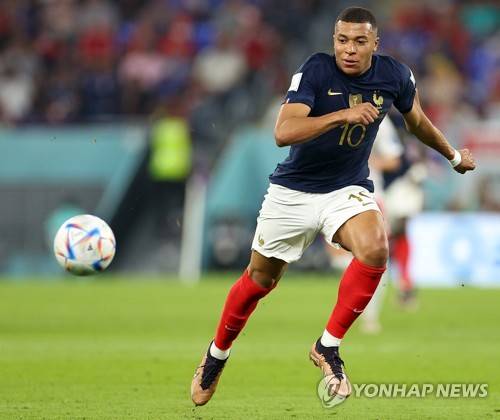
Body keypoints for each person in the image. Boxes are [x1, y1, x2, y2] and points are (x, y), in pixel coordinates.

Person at [190, 6, 476, 406]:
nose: (349, 49)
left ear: (375, 44)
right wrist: (343, 115)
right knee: (259, 281)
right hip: (293, 192)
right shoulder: (316, 70)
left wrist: (452, 156)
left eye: (360, 41)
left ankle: (328, 346)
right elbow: (283, 132)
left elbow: (417, 122)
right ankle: (217, 354)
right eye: (342, 40)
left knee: (376, 248)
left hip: (346, 189)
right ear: (333, 41)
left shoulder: (395, 75)